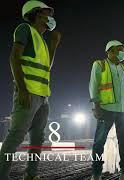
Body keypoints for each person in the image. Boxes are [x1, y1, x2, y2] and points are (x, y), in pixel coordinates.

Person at [0, 1, 61, 180]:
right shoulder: (24, 29)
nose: (50, 17)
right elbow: (14, 58)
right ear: (36, 13)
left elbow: (46, 66)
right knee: (15, 137)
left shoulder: (40, 39)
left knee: (37, 139)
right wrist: (22, 89)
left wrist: (54, 45)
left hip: (43, 97)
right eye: (47, 13)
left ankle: (31, 175)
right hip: (28, 93)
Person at [89, 40, 124, 180]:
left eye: (123, 49)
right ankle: (96, 173)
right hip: (106, 109)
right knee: (99, 142)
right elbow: (93, 86)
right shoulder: (100, 64)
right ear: (109, 51)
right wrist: (96, 106)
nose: (122, 52)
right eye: (119, 49)